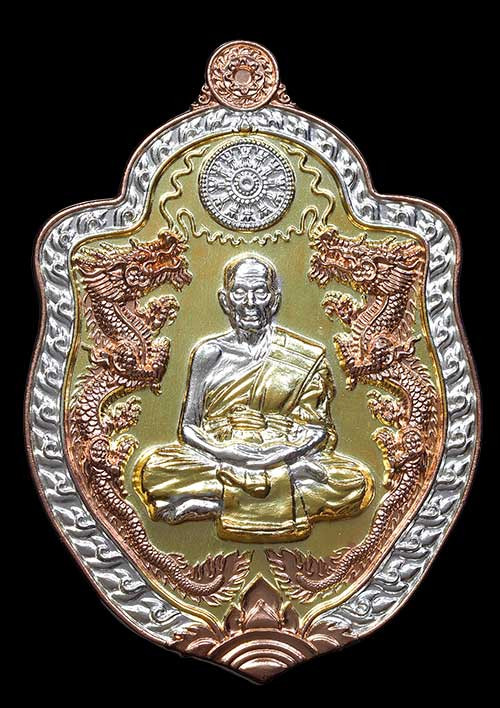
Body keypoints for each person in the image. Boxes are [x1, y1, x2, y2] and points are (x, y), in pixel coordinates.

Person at [134, 254, 373, 542]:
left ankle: (217, 501)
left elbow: (317, 431)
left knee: (352, 481)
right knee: (155, 470)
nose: (250, 302)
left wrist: (275, 453)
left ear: (274, 300)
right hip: (223, 456)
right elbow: (189, 428)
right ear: (225, 301)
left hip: (281, 452)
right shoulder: (209, 354)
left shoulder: (304, 356)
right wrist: (226, 452)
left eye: (260, 292)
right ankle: (277, 484)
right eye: (240, 292)